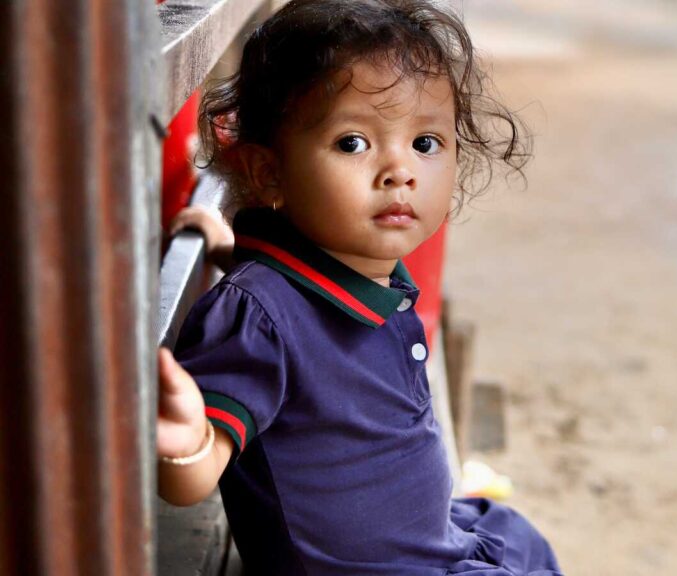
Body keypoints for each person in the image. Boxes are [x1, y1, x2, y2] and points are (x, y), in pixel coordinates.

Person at [155, 1, 562, 575]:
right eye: (352, 143)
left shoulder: (348, 265)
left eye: (426, 143)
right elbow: (193, 476)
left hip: (425, 543)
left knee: (514, 535)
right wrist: (183, 442)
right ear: (269, 173)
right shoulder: (256, 318)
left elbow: (284, 289)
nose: (401, 170)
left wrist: (221, 247)